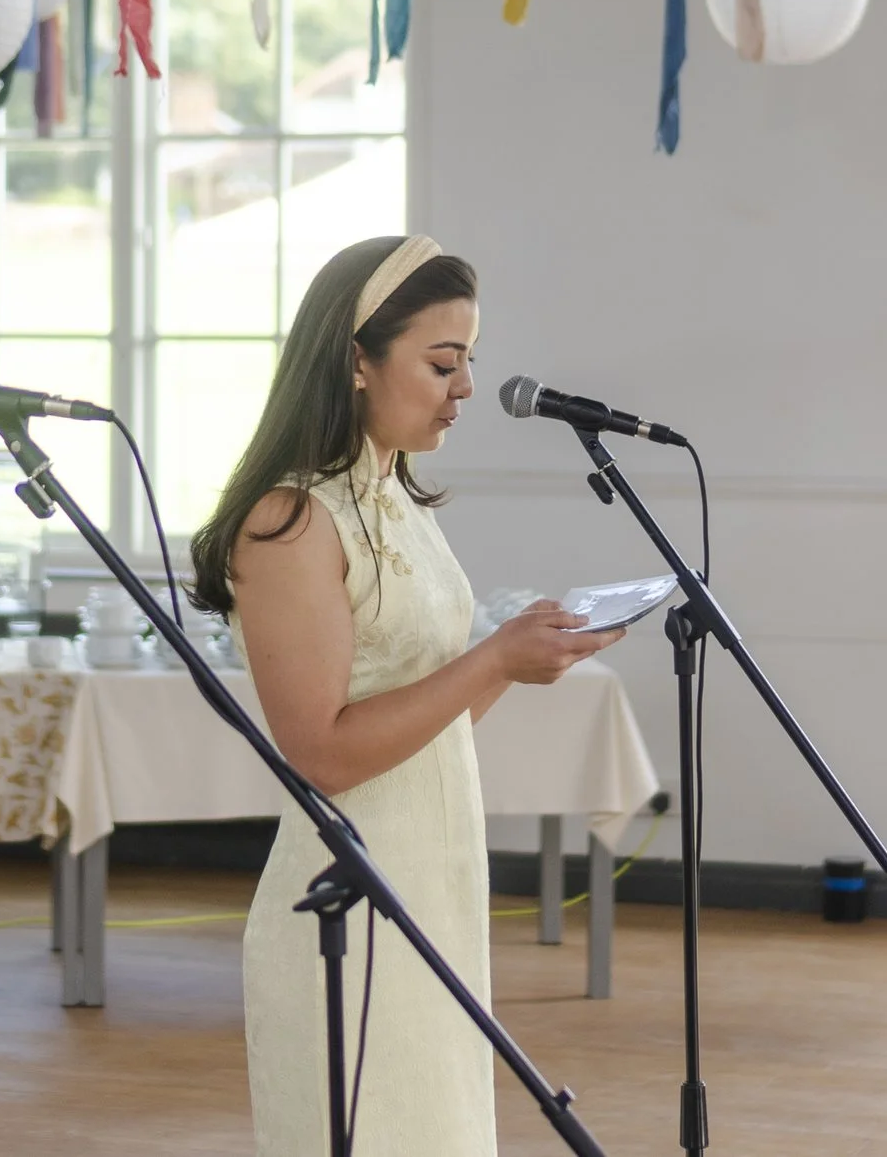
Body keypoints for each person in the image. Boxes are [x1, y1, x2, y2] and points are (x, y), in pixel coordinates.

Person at [188, 234, 626, 1155]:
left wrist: (521, 659)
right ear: (355, 361)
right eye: (441, 362)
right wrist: (492, 659)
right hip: (346, 901)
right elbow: (321, 753)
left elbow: (428, 717)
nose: (464, 388)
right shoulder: (290, 518)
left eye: (469, 362)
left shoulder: (395, 497)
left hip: (435, 879)